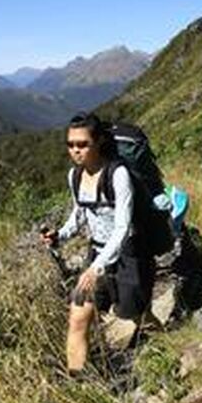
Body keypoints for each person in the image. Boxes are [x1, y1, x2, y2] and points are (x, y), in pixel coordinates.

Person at [40, 113, 152, 372]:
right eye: (70, 145)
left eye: (82, 144)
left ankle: (167, 336)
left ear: (99, 141)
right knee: (78, 317)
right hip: (97, 253)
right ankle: (76, 380)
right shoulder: (75, 175)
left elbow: (123, 227)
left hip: (129, 255)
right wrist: (60, 235)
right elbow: (79, 213)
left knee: (135, 315)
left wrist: (96, 268)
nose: (75, 150)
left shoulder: (118, 174)